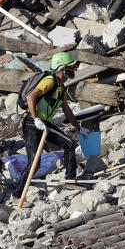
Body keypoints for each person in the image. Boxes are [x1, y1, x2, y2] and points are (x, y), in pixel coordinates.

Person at [11, 52, 84, 199]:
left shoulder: (61, 88)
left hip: (44, 124)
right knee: (34, 163)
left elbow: (67, 110)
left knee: (69, 144)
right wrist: (36, 119)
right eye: (70, 68)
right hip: (33, 123)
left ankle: (70, 180)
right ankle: (17, 196)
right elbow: (32, 96)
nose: (73, 71)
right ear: (62, 68)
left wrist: (79, 128)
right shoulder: (50, 81)